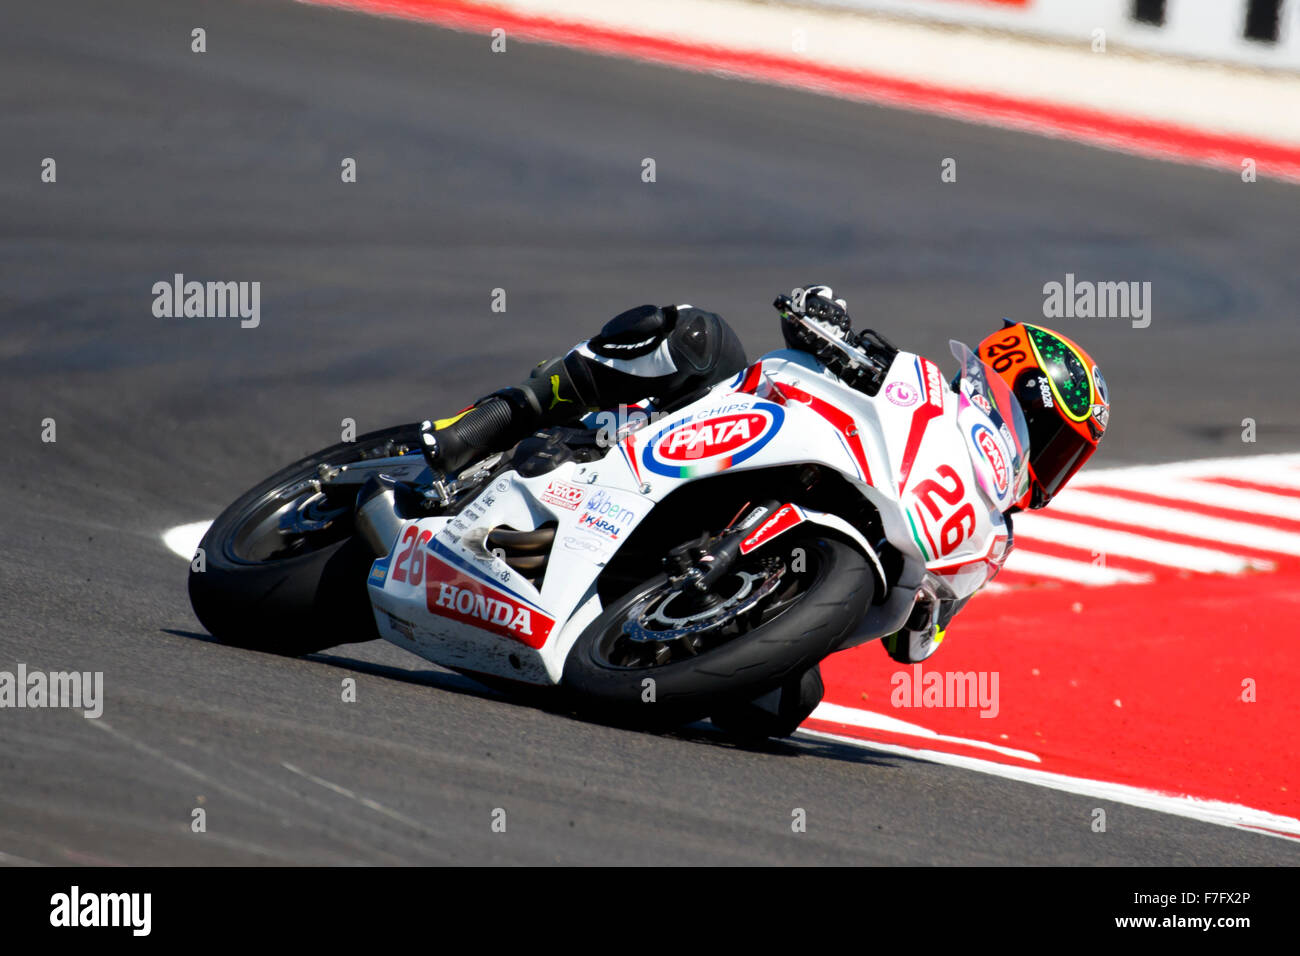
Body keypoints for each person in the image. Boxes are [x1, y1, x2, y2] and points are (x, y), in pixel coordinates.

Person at [420, 285, 1109, 665]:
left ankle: (649, 637)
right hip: (738, 435)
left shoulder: (993, 538)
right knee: (693, 336)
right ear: (1009, 384)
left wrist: (928, 609)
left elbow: (912, 647)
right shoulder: (921, 387)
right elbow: (813, 324)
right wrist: (823, 320)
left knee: (784, 710)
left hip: (807, 566)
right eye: (1052, 443)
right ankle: (492, 423)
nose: (1050, 465)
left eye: (1065, 457)